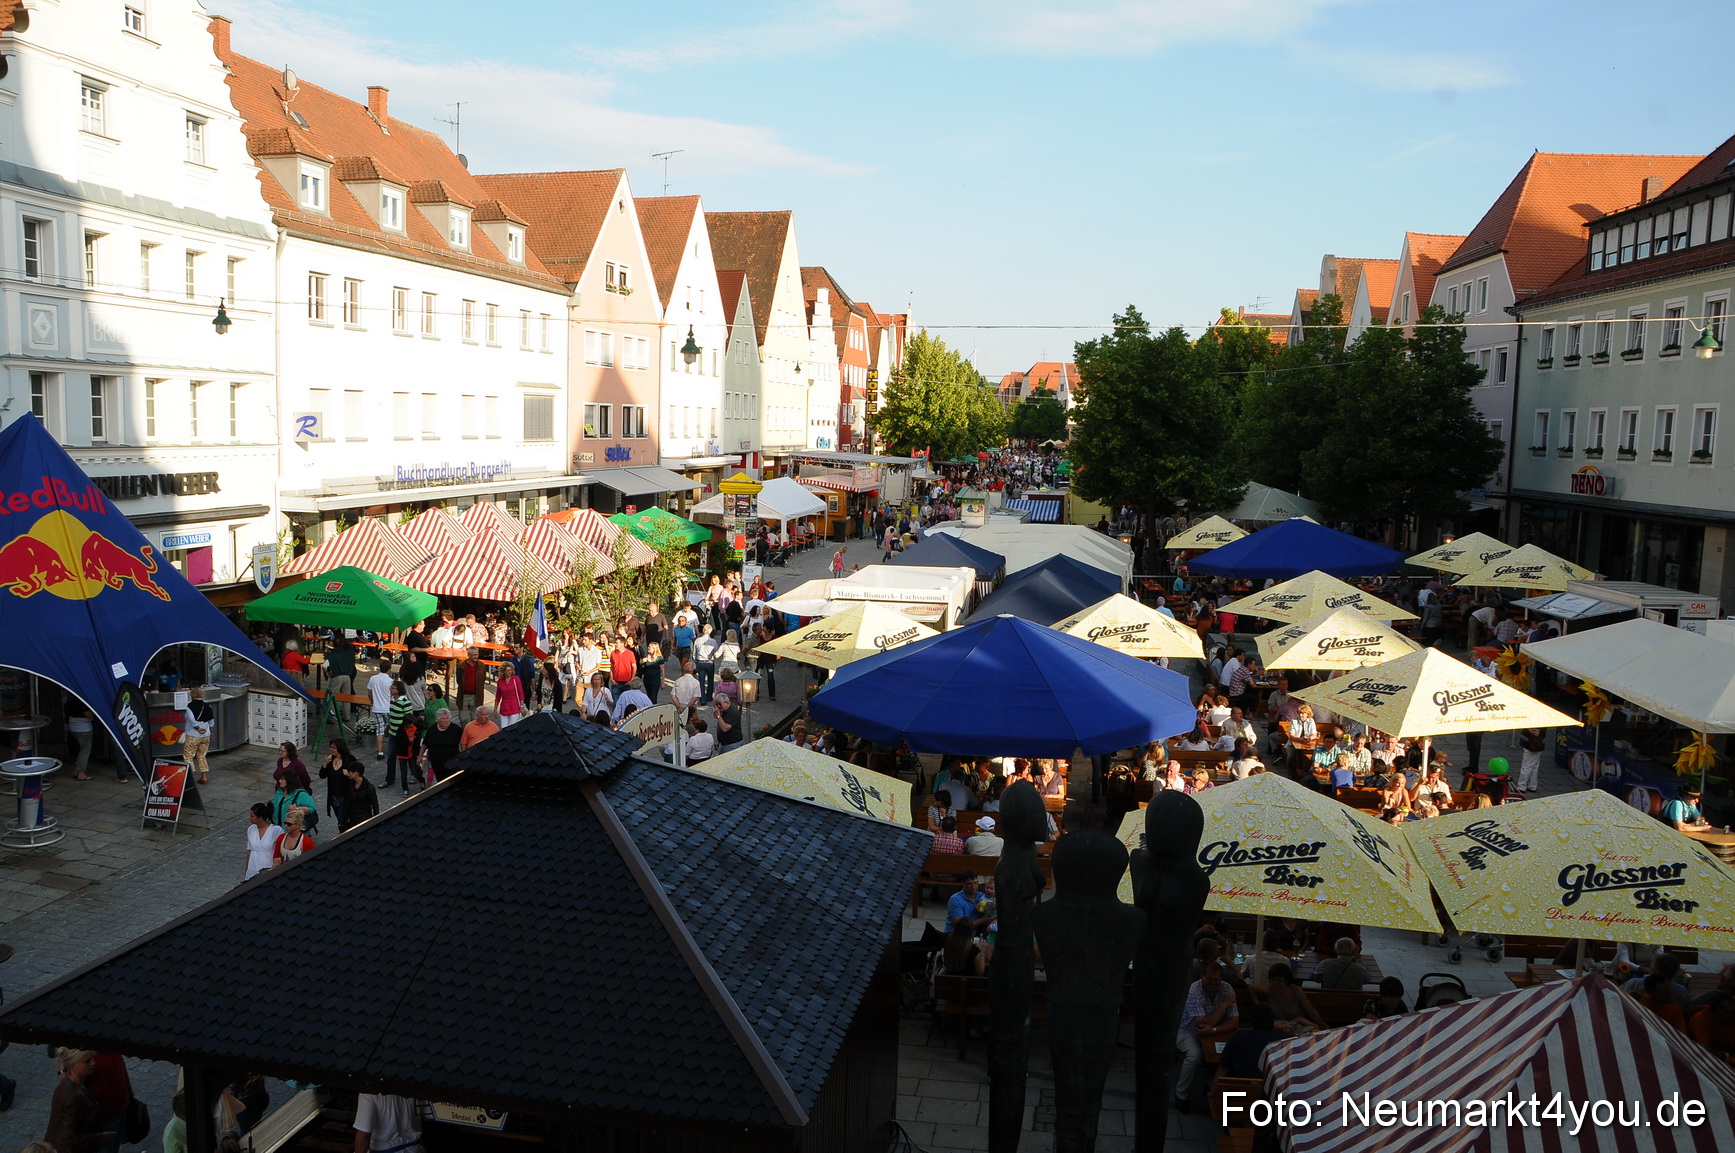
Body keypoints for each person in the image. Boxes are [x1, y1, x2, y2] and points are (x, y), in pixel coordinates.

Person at [1175, 962, 1238, 1111]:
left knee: (1229, 1054)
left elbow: (1235, 1021)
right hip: (1188, 1030)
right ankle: (1181, 1095)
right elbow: (1201, 1023)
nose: (1213, 984)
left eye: (1217, 981)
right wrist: (1223, 1006)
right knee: (1194, 1055)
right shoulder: (1194, 990)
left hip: (1216, 1032)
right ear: (1202, 977)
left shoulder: (1227, 988)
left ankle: (1212, 1086)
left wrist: (1215, 1029)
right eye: (1210, 980)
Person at [46, 1048, 111, 1153]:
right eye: (87, 1061)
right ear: (72, 1066)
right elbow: (69, 1137)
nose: (93, 1063)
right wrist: (100, 1137)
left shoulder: (69, 1086)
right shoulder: (73, 1096)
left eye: (92, 1059)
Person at [1216, 1004, 1286, 1079]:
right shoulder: (1285, 1039)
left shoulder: (1238, 1036)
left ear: (1251, 1021)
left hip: (1241, 1088)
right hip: (1272, 1089)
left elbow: (1223, 1068)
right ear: (1273, 1022)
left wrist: (1212, 1091)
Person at [353, 1092, 424, 1153]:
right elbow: (427, 1115)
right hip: (415, 1149)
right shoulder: (411, 1085)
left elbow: (364, 1135)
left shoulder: (368, 1094)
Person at [384, 681, 420, 793]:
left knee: (407, 758)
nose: (390, 689)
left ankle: (417, 775)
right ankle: (389, 779)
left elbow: (409, 719)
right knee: (390, 757)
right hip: (393, 733)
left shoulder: (405, 702)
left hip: (402, 736)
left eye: (393, 688)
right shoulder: (392, 700)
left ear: (398, 690)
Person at [319, 739, 359, 825]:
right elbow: (322, 775)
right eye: (331, 747)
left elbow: (358, 774)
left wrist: (349, 775)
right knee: (340, 819)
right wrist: (325, 764)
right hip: (334, 797)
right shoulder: (330, 760)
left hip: (346, 797)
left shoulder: (349, 759)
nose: (331, 750)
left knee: (343, 821)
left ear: (340, 748)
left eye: (334, 748)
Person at [422, 708, 462, 782]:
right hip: (436, 763)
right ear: (438, 719)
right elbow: (425, 743)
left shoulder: (456, 729)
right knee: (440, 781)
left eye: (447, 718)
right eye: (443, 718)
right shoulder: (432, 729)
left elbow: (464, 741)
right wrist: (420, 756)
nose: (446, 720)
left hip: (452, 762)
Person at [244, 803, 282, 880]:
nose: (249, 818)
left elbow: (280, 850)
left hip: (268, 866)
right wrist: (247, 868)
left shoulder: (275, 830)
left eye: (252, 816)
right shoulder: (251, 829)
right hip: (253, 866)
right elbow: (249, 850)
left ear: (260, 818)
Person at [183, 696, 215, 785]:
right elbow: (211, 722)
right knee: (201, 756)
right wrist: (211, 733)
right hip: (206, 735)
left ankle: (191, 777)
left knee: (188, 756)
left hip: (193, 735)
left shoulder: (190, 706)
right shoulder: (208, 706)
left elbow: (192, 720)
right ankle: (204, 777)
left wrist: (197, 728)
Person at [339, 763, 379, 832]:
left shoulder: (369, 788)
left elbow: (375, 805)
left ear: (355, 773)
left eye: (350, 772)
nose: (348, 773)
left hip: (364, 819)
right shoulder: (351, 785)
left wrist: (375, 821)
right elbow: (347, 803)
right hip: (352, 819)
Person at [367, 661, 395, 760]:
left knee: (379, 730)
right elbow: (393, 695)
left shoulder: (373, 679)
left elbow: (369, 692)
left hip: (377, 708)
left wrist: (372, 701)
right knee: (393, 729)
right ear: (389, 669)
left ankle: (380, 751)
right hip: (387, 708)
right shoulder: (390, 681)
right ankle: (393, 750)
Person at [693, 622, 720, 703]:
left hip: (700, 661)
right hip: (709, 661)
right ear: (710, 631)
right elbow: (716, 651)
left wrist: (696, 662)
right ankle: (709, 697)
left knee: (701, 681)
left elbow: (694, 653)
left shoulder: (698, 640)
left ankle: (702, 699)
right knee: (710, 680)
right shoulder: (713, 641)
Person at [494, 662, 525, 729]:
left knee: (512, 728)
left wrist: (521, 706)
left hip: (514, 707)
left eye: (511, 670)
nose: (510, 672)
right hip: (504, 708)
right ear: (504, 671)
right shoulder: (500, 681)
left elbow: (521, 694)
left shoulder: (516, 679)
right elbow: (498, 696)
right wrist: (495, 709)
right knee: (504, 729)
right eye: (508, 670)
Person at [1516, 727, 1546, 794]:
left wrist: (1527, 727)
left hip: (1531, 746)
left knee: (1526, 766)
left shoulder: (1537, 720)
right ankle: (1532, 786)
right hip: (1535, 746)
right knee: (1534, 767)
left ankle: (1521, 787)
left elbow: (1536, 733)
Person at [608, 635, 637, 701]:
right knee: (616, 702)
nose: (615, 644)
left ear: (622, 643)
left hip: (627, 682)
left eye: (617, 643)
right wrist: (612, 678)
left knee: (627, 701)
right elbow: (612, 667)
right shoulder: (613, 653)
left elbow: (634, 667)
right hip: (616, 682)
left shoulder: (630, 653)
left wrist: (632, 679)